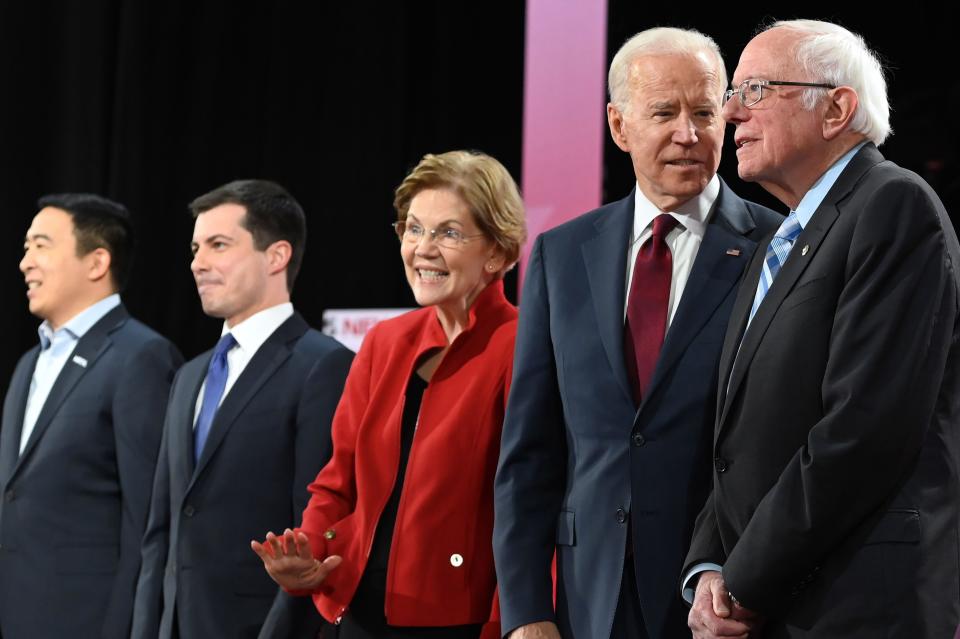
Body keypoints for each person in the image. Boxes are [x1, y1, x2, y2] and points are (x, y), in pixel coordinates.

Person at [492, 26, 782, 639]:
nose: (689, 133)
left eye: (705, 112)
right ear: (619, 126)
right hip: (588, 594)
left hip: (726, 594)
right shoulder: (560, 256)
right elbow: (529, 452)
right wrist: (525, 612)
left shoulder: (778, 248)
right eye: (664, 112)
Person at [684, 19, 960, 639]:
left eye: (755, 91)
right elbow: (739, 440)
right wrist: (709, 564)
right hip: (777, 597)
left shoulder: (894, 207)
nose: (729, 113)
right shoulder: (777, 243)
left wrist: (743, 580)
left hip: (856, 604)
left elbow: (864, 429)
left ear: (836, 108)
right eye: (733, 92)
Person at [251, 150, 526, 639]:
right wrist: (309, 553)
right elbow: (337, 483)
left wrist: (518, 618)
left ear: (498, 253)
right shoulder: (384, 342)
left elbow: (533, 504)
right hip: (358, 614)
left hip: (462, 621)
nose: (423, 248)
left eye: (449, 233)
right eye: (414, 228)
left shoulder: (525, 345)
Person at [131, 180, 353, 639]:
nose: (198, 263)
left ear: (276, 256)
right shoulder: (189, 375)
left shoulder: (322, 365)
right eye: (195, 248)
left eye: (218, 245)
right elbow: (161, 533)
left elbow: (316, 525)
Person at [0, 193, 182, 639]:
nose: (26, 262)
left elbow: (148, 523)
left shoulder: (141, 356)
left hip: (91, 622)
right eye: (26, 248)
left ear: (97, 261)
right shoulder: (28, 363)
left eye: (41, 245)